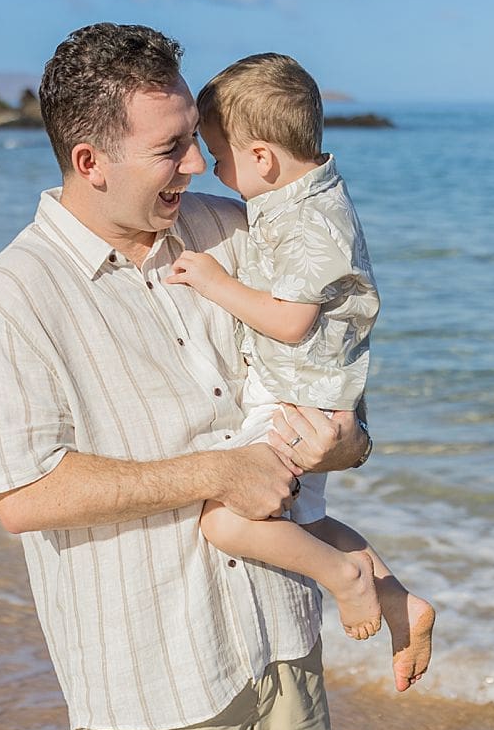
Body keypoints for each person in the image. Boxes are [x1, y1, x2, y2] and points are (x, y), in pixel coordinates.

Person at [0, 23, 370, 730]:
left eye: (194, 137)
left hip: (286, 649)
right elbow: (24, 496)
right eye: (169, 149)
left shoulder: (232, 227)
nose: (196, 163)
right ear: (89, 161)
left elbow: (329, 383)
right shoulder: (18, 293)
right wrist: (218, 472)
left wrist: (348, 441)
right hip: (156, 696)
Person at [166, 53, 436, 688]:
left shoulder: (310, 221)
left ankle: (346, 576)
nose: (211, 169)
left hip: (295, 398)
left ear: (262, 157)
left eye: (218, 154)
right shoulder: (304, 199)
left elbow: (289, 321)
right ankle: (400, 600)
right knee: (307, 521)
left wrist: (213, 280)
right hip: (312, 394)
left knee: (225, 520)